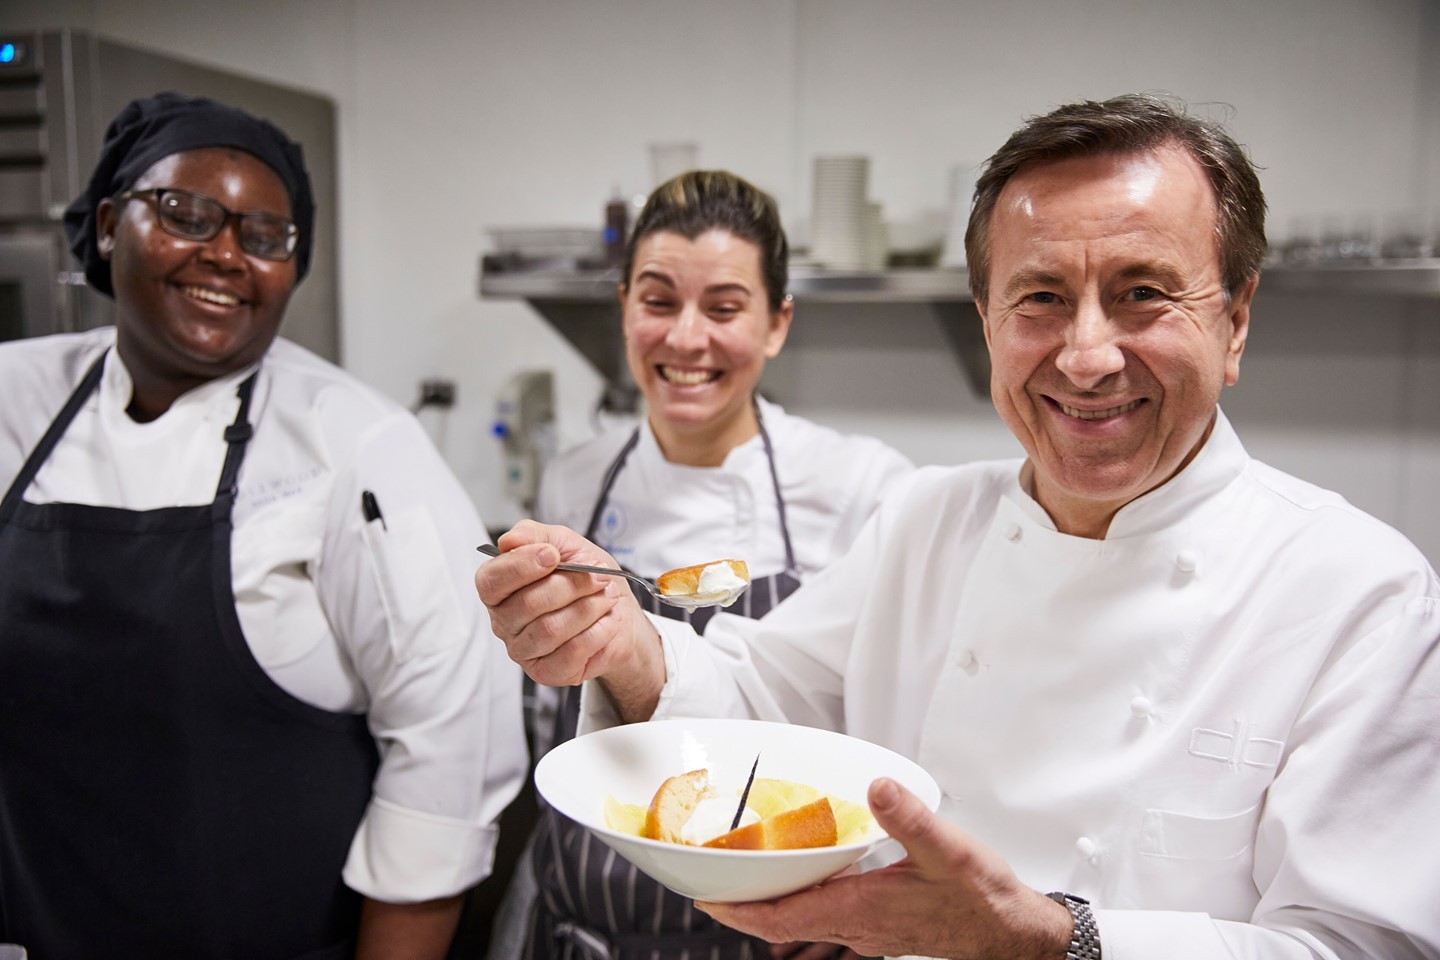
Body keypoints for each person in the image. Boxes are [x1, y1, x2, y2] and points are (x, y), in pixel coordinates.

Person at [476, 93, 1440, 960]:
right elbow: (761, 705)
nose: (1088, 356)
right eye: (1041, 298)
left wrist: (1054, 941)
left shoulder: (1361, 596)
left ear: (1236, 320)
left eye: (1143, 293)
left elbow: (1364, 946)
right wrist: (624, 639)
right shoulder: (928, 520)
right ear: (988, 323)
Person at [0, 92, 527, 959]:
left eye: (265, 235)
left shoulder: (358, 444)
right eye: (185, 213)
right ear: (108, 225)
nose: (224, 253)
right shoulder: (18, 398)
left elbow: (447, 764)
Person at [507, 170, 914, 960]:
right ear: (624, 307)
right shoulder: (573, 481)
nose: (687, 339)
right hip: (579, 928)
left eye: (724, 308)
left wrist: (866, 891)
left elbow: (899, 724)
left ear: (776, 323)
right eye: (659, 302)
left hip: (768, 939)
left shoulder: (858, 486)